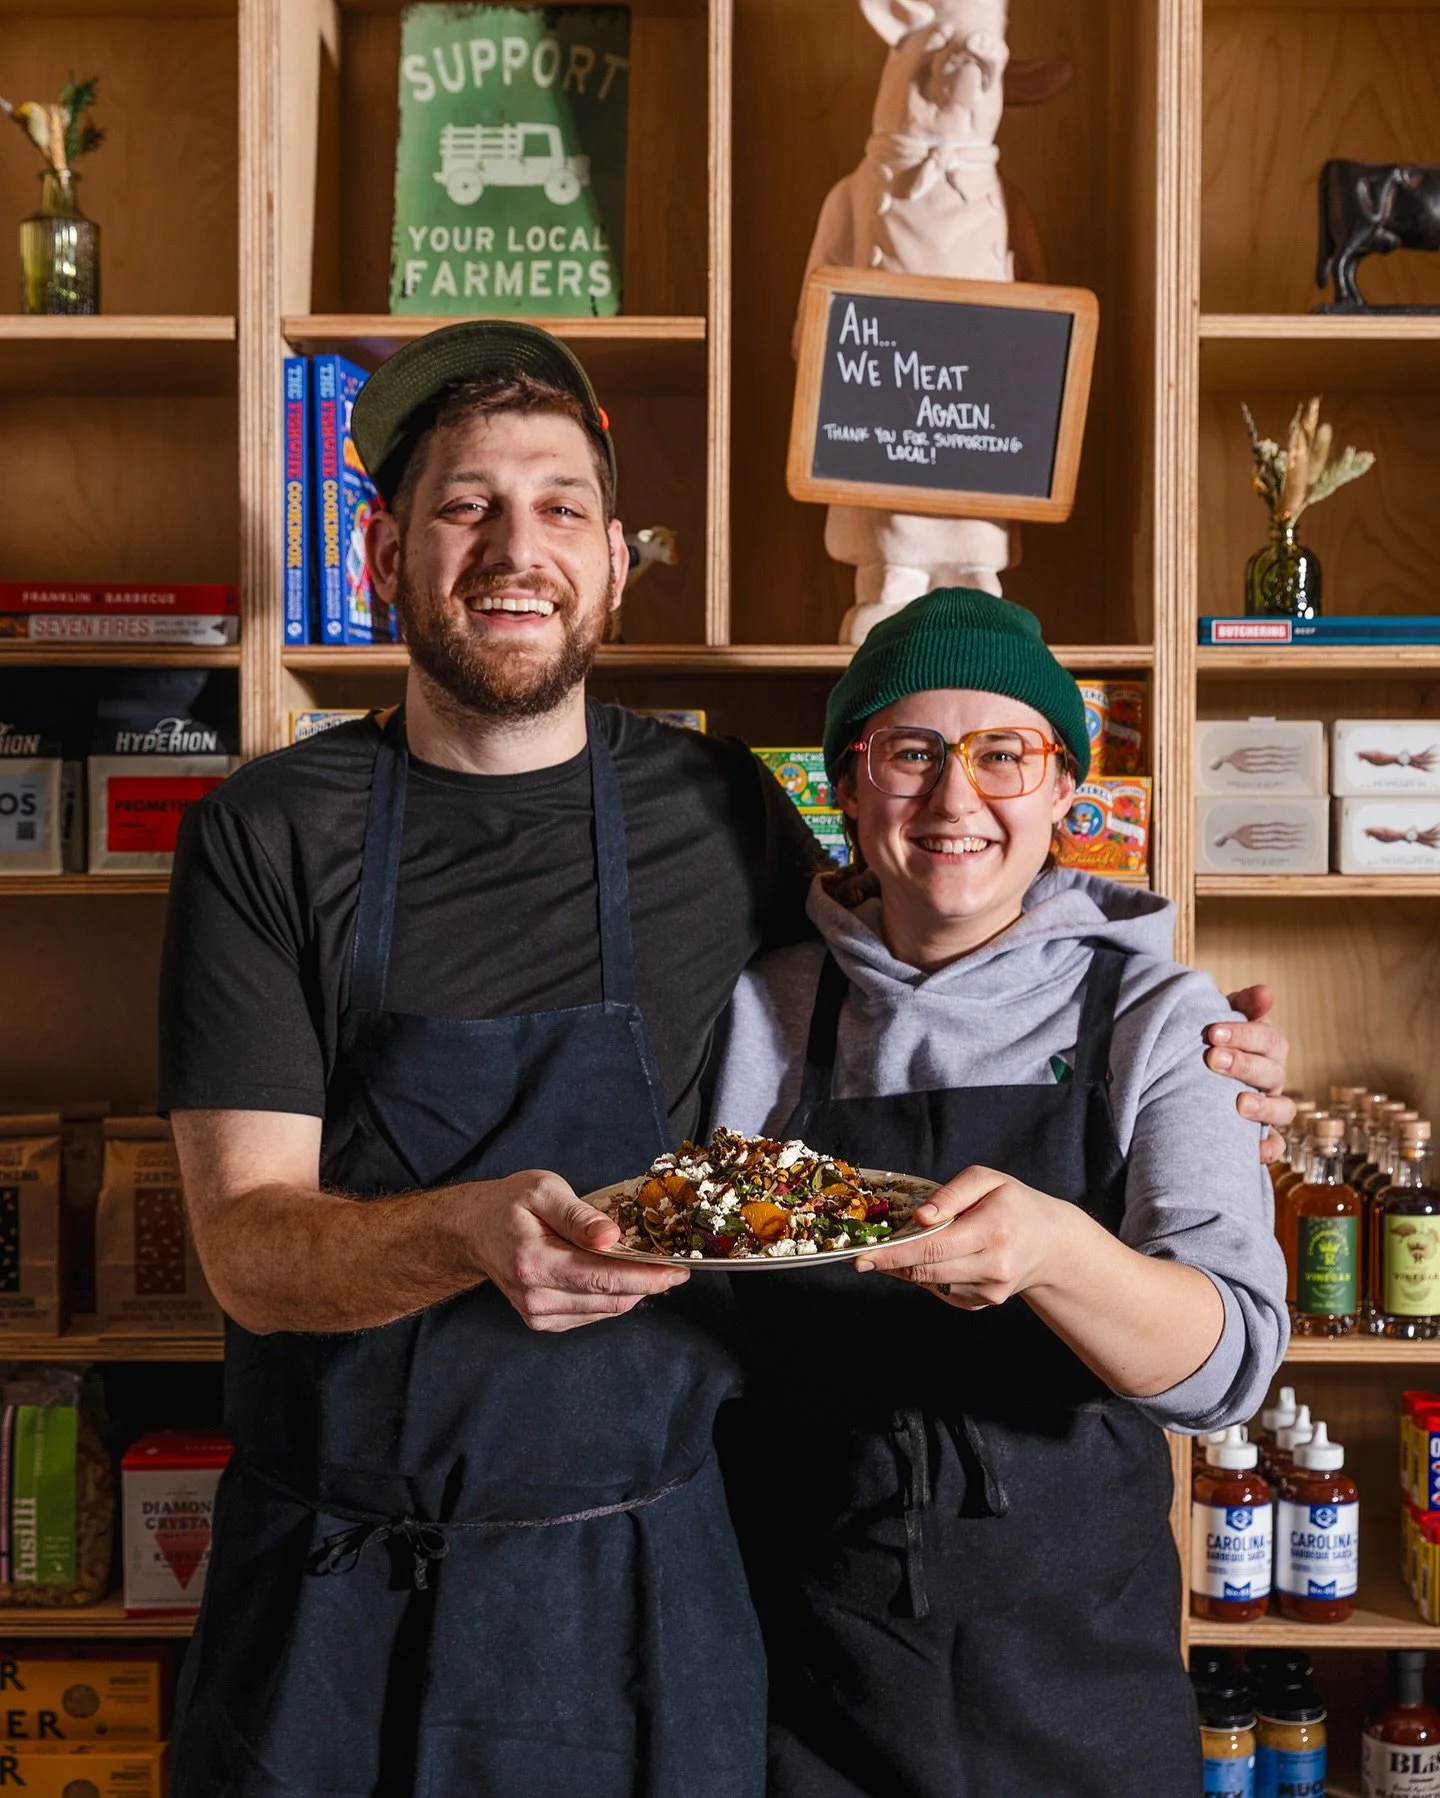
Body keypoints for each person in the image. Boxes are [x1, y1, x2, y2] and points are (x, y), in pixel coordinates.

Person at [157, 321, 1290, 1796]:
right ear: (382, 552)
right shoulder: (266, 832)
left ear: (621, 559)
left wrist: (1217, 1056)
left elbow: (941, 930)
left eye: (562, 506)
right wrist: (458, 1229)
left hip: (656, 1579)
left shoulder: (716, 808)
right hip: (341, 1579)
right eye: (463, 506)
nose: (518, 548)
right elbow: (246, 1248)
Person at [707, 587, 1290, 1798]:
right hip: (804, 1663)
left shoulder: (1157, 1015)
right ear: (849, 786)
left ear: (1065, 787)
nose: (955, 798)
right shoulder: (762, 1009)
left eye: (1003, 753)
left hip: (1078, 1671)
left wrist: (1060, 1255)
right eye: (910, 753)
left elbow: (1228, 1359)